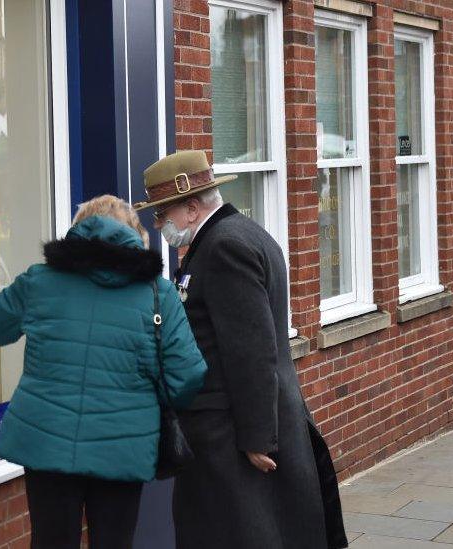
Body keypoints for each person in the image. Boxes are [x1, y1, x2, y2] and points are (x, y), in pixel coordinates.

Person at [0, 195, 207, 549]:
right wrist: (149, 404)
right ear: (135, 235)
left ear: (78, 230)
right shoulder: (157, 294)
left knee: (51, 541)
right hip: (123, 445)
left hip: (47, 443)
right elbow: (189, 374)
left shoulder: (39, 282)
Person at [134, 151, 348, 549]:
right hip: (241, 424)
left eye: (163, 215)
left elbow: (250, 349)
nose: (159, 225)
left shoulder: (224, 248)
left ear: (193, 208)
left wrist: (257, 438)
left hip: (232, 434)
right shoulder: (241, 234)